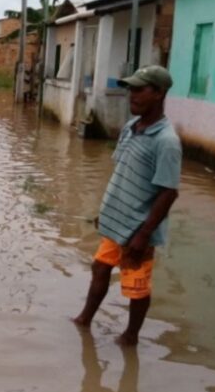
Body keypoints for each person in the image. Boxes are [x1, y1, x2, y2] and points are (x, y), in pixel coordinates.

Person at [74, 65, 181, 346]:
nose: (131, 95)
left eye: (138, 89)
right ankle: (84, 320)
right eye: (129, 89)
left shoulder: (166, 141)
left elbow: (169, 193)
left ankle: (130, 338)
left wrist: (143, 234)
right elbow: (123, 175)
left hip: (138, 229)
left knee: (136, 286)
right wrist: (105, 212)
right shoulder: (131, 127)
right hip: (116, 222)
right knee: (100, 268)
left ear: (159, 93)